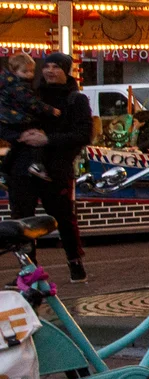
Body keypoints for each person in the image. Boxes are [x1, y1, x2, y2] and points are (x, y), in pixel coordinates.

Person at [7, 53, 94, 281]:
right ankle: (29, 270)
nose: (50, 71)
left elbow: (84, 134)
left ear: (67, 70)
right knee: (21, 220)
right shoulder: (30, 94)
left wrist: (48, 140)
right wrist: (22, 135)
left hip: (56, 168)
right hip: (22, 166)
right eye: (47, 66)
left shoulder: (75, 99)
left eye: (56, 66)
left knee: (63, 217)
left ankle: (75, 261)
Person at [0, 52, 47, 180]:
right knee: (33, 138)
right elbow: (29, 102)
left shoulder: (9, 83)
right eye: (25, 71)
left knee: (19, 144)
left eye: (31, 71)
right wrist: (48, 109)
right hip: (15, 118)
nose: (30, 74)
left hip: (12, 118)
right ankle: (35, 164)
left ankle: (4, 170)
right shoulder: (18, 86)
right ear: (15, 71)